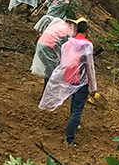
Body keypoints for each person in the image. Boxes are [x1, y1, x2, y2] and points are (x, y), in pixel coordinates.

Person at [39, 18, 97, 146]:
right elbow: (90, 67)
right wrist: (93, 88)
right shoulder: (87, 45)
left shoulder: (67, 44)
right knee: (77, 110)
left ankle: (73, 125)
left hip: (69, 79)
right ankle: (69, 139)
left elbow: (62, 59)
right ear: (87, 31)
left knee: (74, 104)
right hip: (81, 82)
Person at [31, 17, 77, 92]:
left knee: (49, 69)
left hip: (41, 43)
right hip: (49, 47)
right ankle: (48, 92)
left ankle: (48, 89)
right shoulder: (71, 32)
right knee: (52, 71)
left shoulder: (60, 24)